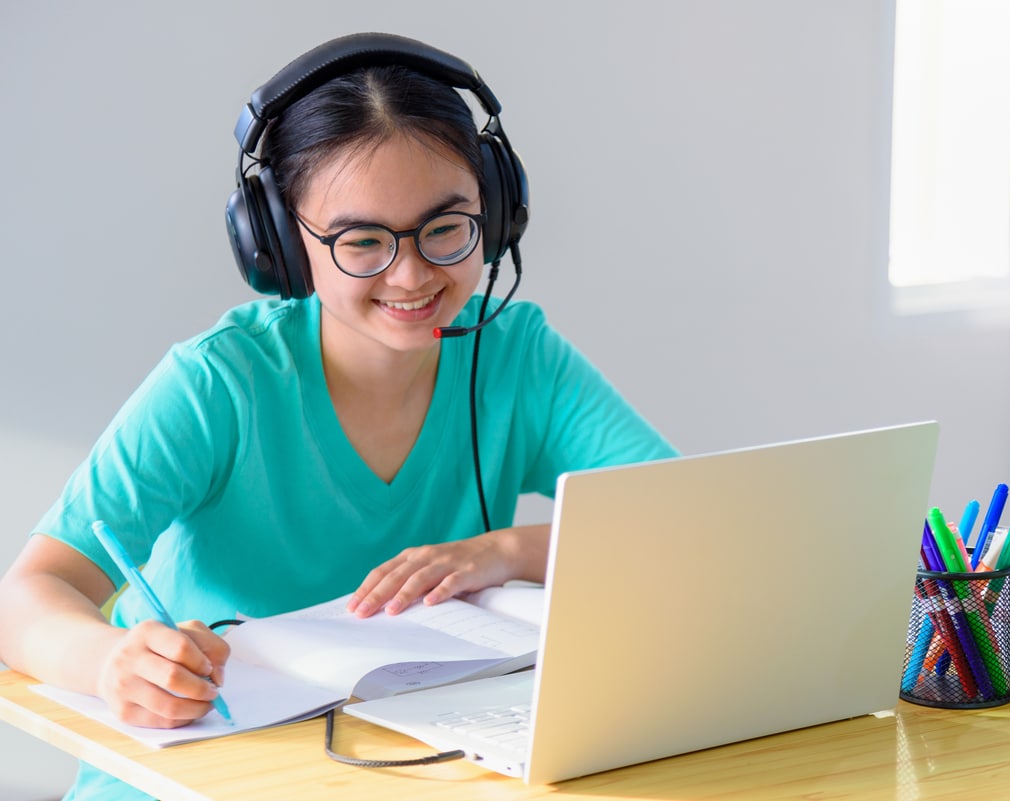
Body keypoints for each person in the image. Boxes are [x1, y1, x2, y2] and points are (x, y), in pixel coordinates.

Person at [0, 33, 675, 801]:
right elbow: (26, 596)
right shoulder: (219, 382)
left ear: (495, 210)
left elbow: (684, 524)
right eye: (362, 241)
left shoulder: (518, 354)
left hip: (393, 773)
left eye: (446, 227)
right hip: (195, 779)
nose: (413, 273)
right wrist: (110, 663)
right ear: (283, 245)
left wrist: (508, 549)